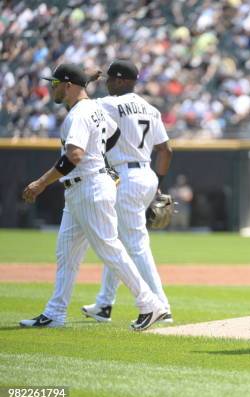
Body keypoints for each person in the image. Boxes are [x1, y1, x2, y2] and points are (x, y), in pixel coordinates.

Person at [19, 63, 167, 330]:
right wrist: (98, 158)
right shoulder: (94, 109)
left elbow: (74, 155)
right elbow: (114, 135)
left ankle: (150, 304)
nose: (51, 87)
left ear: (67, 85)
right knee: (67, 253)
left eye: (54, 83)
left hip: (89, 186)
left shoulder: (79, 114)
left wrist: (41, 183)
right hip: (82, 188)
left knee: (110, 248)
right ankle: (55, 313)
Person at [80, 60, 174, 323]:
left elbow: (79, 103)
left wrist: (87, 80)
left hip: (126, 176)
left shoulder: (108, 104)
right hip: (147, 174)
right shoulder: (151, 108)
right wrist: (159, 184)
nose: (107, 82)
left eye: (110, 78)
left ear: (121, 80)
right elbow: (166, 151)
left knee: (136, 245)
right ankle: (104, 303)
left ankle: (161, 306)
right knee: (117, 239)